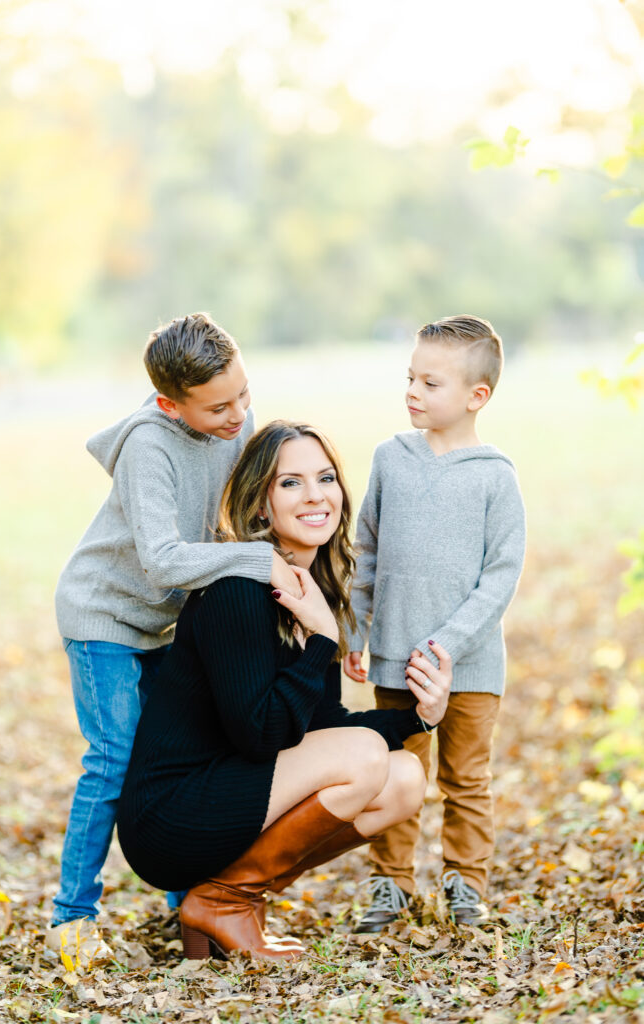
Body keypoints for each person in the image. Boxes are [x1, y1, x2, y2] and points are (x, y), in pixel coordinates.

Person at [116, 421, 452, 960]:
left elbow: (320, 725)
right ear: (260, 508)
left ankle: (229, 897)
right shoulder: (237, 592)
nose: (316, 496)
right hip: (172, 815)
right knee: (366, 758)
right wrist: (321, 639)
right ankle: (224, 902)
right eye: (291, 483)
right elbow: (261, 735)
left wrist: (421, 717)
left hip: (233, 794)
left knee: (405, 777)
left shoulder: (313, 590)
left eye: (325, 478)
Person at [49, 314, 299, 945]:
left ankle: (189, 898)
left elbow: (241, 508)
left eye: (244, 393)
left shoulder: (229, 415)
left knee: (179, 754)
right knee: (114, 761)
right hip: (104, 613)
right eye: (219, 407)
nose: (239, 415)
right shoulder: (150, 447)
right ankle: (72, 918)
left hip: (163, 619)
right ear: (170, 403)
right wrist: (258, 560)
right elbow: (162, 558)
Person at [343, 315, 526, 929]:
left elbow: (500, 576)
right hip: (397, 660)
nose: (413, 392)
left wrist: (445, 645)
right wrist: (356, 628)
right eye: (411, 378)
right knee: (398, 772)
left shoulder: (494, 477)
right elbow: (365, 551)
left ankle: (464, 883)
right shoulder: (390, 459)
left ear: (478, 396)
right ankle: (391, 884)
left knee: (466, 778)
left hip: (469, 667)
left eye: (431, 382)